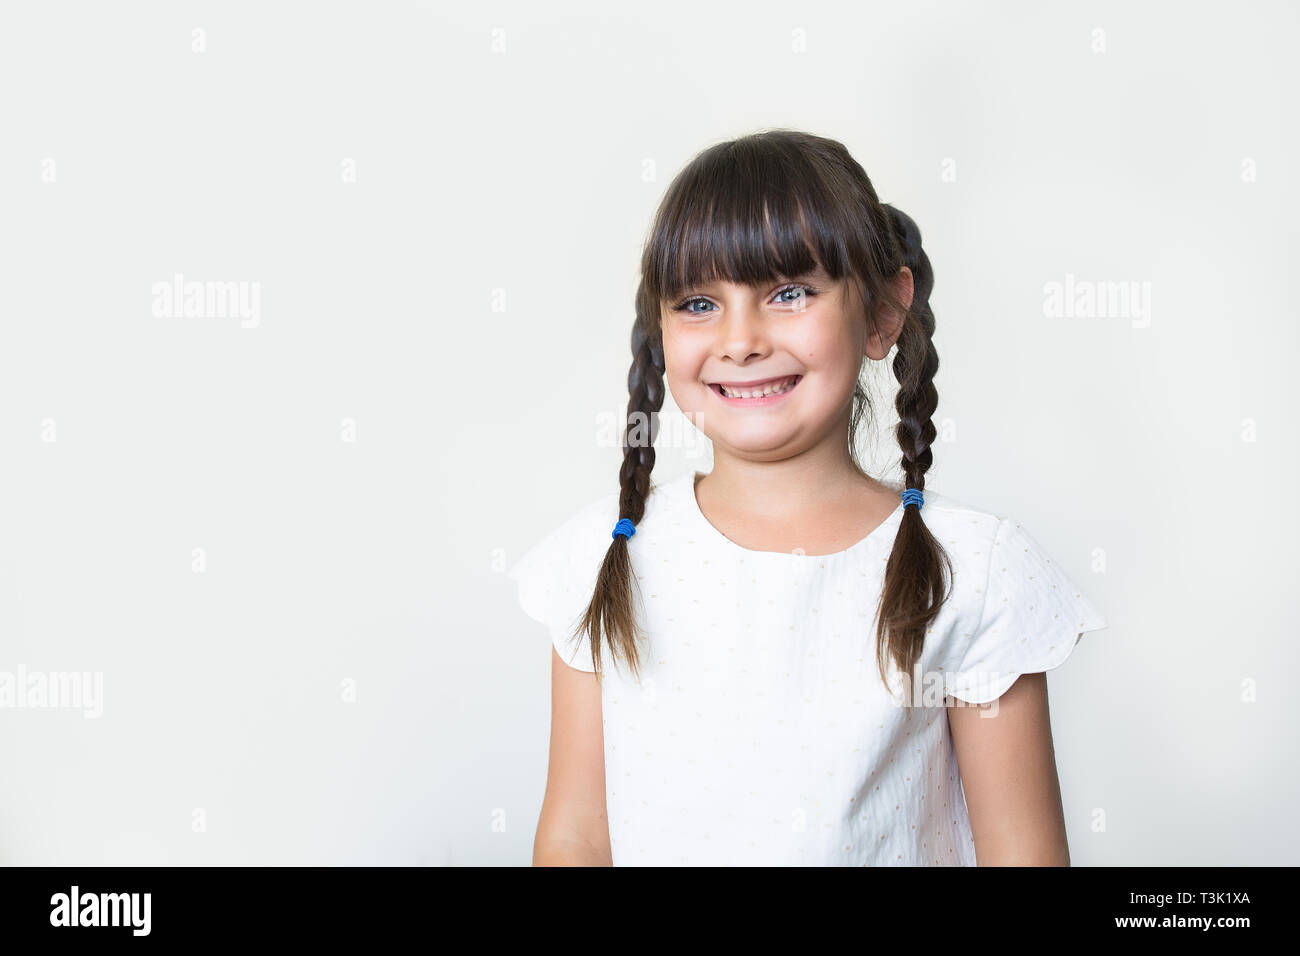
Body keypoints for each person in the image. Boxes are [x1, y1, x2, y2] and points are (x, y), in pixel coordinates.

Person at [508, 128, 1109, 866]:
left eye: (789, 293)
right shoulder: (602, 555)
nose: (740, 340)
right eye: (699, 303)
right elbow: (577, 835)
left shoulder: (974, 569)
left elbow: (1020, 849)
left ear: (885, 313)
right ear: (658, 330)